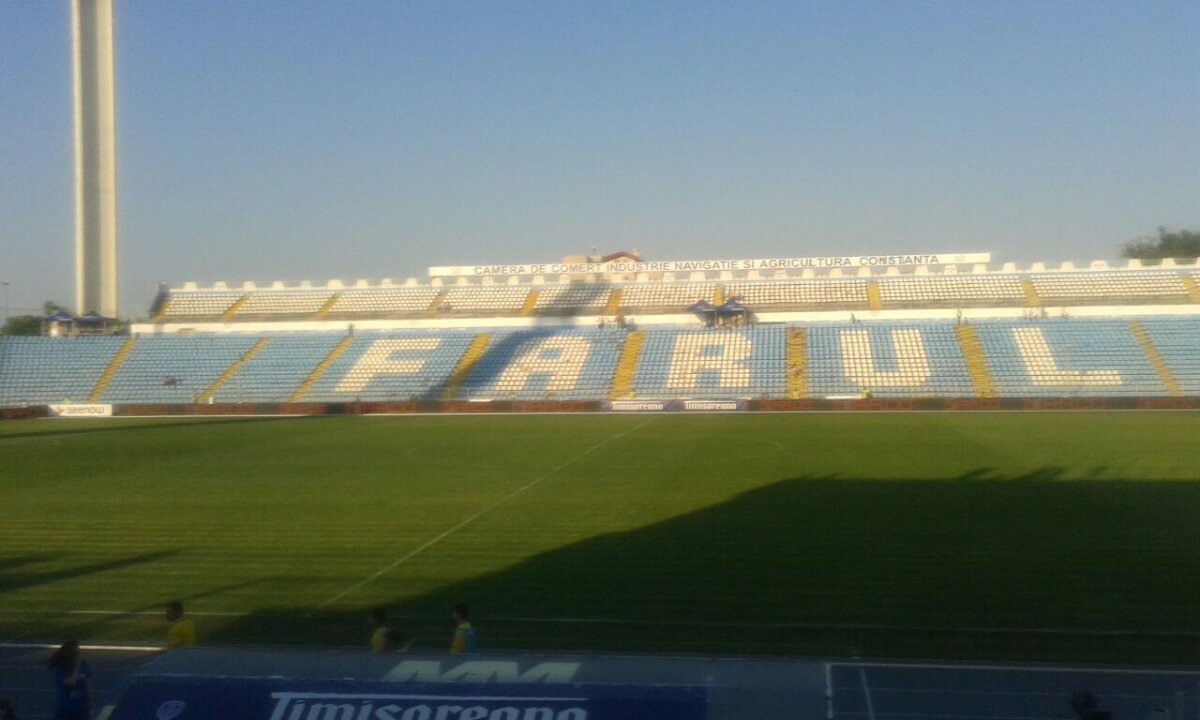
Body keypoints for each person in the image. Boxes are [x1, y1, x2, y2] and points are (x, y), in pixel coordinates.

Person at [47, 641, 89, 720]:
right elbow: (71, 682)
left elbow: (86, 683)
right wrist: (77, 666)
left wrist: (89, 701)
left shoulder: (83, 665)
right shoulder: (59, 668)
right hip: (66, 705)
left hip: (81, 704)